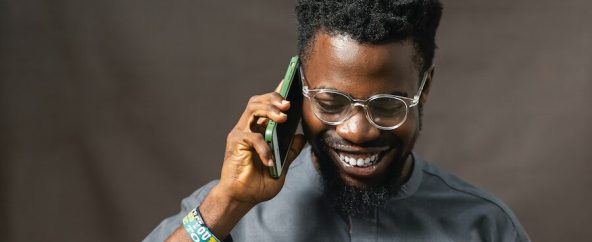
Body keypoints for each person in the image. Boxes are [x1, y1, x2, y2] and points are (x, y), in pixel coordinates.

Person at [146, 0, 530, 241]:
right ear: (298, 88)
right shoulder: (231, 214)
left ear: (424, 88)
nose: (358, 131)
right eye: (331, 102)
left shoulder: (484, 226)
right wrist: (225, 206)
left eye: (387, 105)